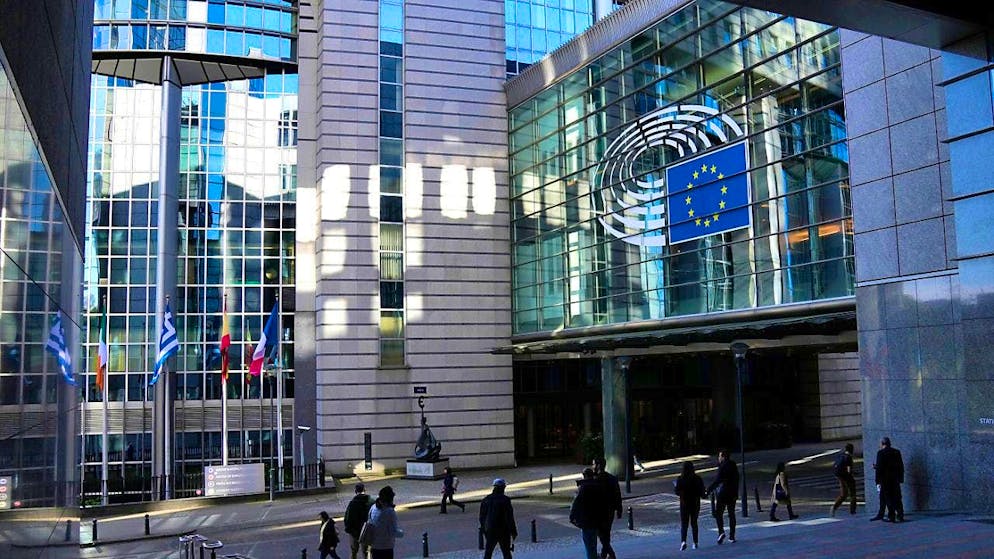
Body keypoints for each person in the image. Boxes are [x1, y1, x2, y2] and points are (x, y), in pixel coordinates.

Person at [706, 450, 739, 544]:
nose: (719, 458)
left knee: (718, 513)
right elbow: (737, 479)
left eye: (720, 456)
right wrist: (735, 493)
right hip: (732, 493)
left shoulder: (722, 467)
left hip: (723, 492)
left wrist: (708, 490)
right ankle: (732, 536)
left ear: (723, 457)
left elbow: (717, 480)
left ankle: (721, 531)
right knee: (731, 514)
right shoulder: (733, 465)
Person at [570, 468, 604, 559]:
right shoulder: (598, 486)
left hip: (586, 521)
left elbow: (575, 504)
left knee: (589, 546)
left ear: (584, 476)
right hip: (596, 521)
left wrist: (572, 517)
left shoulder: (582, 488)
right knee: (593, 544)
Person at [592, 457, 622, 559]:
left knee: (601, 535)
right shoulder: (612, 478)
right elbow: (617, 495)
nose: (593, 467)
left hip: (599, 512)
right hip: (610, 511)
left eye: (594, 464)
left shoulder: (595, 480)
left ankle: (611, 555)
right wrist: (619, 510)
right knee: (606, 534)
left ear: (598, 465)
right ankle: (605, 555)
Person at [480, 478, 517, 559]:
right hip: (503, 530)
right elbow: (509, 517)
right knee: (506, 553)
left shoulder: (486, 500)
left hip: (490, 530)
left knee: (488, 553)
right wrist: (513, 531)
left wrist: (484, 530)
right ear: (503, 488)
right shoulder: (505, 500)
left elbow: (482, 517)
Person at [871, 437, 905, 523]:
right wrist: (901, 478)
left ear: (882, 444)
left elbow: (880, 468)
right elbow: (901, 466)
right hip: (895, 478)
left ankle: (891, 516)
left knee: (887, 497)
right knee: (897, 497)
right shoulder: (896, 452)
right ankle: (900, 515)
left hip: (885, 479)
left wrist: (877, 480)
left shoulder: (881, 453)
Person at [673, 461, 706, 551]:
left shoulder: (680, 478)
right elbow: (701, 491)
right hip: (695, 503)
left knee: (684, 524)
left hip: (684, 503)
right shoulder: (697, 478)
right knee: (694, 523)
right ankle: (695, 543)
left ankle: (683, 541)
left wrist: (681, 493)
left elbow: (676, 491)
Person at [367, 486, 404, 559]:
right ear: (390, 499)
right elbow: (393, 531)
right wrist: (402, 533)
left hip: (374, 545)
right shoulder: (389, 512)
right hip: (386, 547)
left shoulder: (373, 507)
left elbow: (369, 522)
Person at [344, 483, 375, 559]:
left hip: (354, 531)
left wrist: (349, 529)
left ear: (355, 491)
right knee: (366, 552)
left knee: (354, 551)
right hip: (366, 530)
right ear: (364, 490)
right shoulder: (371, 501)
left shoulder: (352, 503)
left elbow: (347, 518)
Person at [831, 443, 857, 517]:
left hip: (840, 476)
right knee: (853, 494)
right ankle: (853, 511)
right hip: (846, 476)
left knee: (843, 494)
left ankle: (834, 507)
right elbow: (849, 471)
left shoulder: (840, 455)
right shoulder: (848, 457)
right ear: (852, 450)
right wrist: (855, 473)